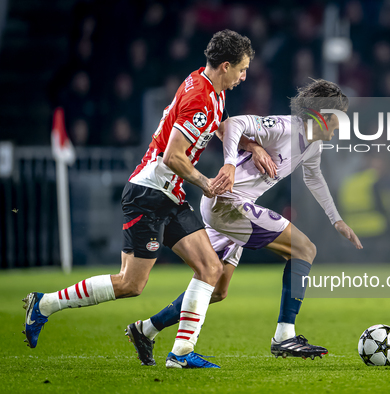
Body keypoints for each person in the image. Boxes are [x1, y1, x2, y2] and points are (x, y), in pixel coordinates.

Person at [23, 30, 254, 369]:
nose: (243, 76)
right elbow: (172, 158)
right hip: (149, 194)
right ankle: (44, 305)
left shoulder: (207, 88)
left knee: (210, 268)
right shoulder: (201, 99)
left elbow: (216, 126)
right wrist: (205, 182)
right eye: (242, 69)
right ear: (224, 66)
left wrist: (251, 146)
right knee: (131, 284)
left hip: (168, 195)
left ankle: (180, 354)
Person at [125, 79, 363, 366]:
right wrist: (232, 160)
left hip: (234, 206)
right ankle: (284, 335)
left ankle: (146, 329)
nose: (339, 127)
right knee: (304, 249)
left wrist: (336, 220)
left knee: (217, 289)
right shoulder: (285, 127)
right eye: (337, 119)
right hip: (227, 203)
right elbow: (231, 124)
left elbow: (314, 178)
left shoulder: (312, 146)